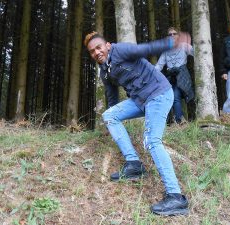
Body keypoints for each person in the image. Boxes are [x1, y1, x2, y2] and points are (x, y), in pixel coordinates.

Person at [84, 31, 189, 216]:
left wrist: (172, 43)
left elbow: (146, 48)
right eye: (92, 51)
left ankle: (175, 197)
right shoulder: (104, 71)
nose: (96, 53)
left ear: (107, 45)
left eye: (98, 47)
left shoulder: (121, 50)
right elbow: (112, 96)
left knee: (151, 141)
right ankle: (134, 165)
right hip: (140, 100)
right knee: (109, 115)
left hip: (158, 93)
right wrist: (117, 116)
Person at [155, 27, 194, 124]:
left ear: (178, 36)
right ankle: (174, 121)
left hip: (182, 76)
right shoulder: (166, 50)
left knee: (178, 97)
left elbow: (196, 53)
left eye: (174, 33)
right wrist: (150, 74)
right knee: (169, 97)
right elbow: (159, 66)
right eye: (170, 34)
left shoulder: (184, 46)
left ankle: (181, 120)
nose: (172, 35)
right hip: (170, 77)